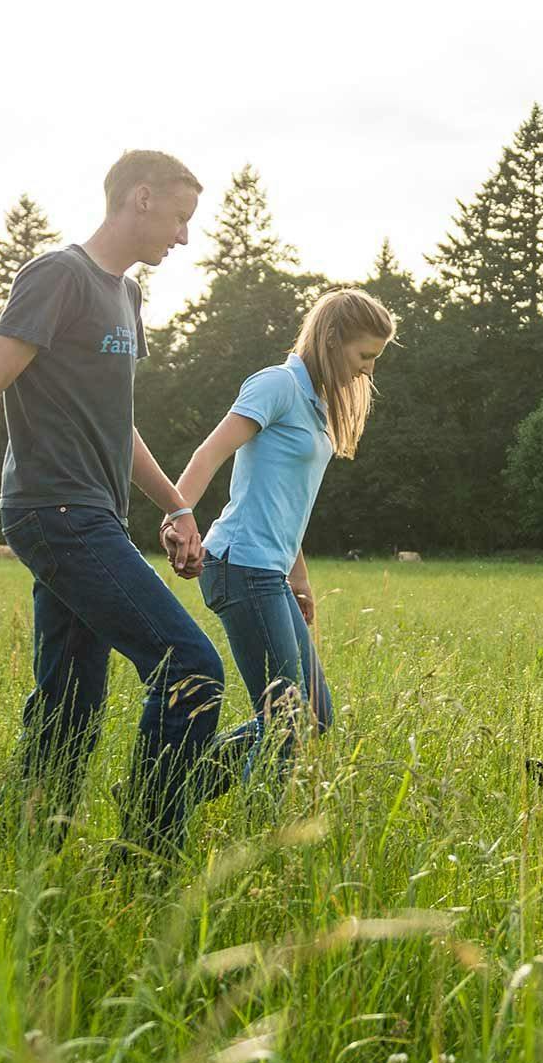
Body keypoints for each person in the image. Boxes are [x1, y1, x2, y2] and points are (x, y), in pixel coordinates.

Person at [0, 151, 225, 859]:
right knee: (191, 668)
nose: (184, 237)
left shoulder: (127, 297)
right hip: (55, 511)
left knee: (70, 708)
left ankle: (24, 855)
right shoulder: (59, 276)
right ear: (140, 199)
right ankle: (148, 856)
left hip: (92, 513)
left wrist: (178, 507)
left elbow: (118, 426)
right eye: (180, 218)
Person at [167, 288, 396, 790]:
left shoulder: (315, 405)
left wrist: (302, 578)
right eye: (365, 356)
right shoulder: (278, 385)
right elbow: (210, 452)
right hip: (240, 566)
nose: (368, 371)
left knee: (315, 716)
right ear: (333, 340)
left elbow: (286, 504)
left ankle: (169, 785)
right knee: (287, 719)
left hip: (271, 571)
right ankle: (253, 833)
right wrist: (179, 515)